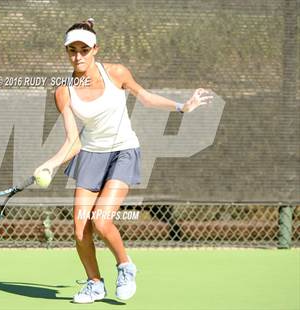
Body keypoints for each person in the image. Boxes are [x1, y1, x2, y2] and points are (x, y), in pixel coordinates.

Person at [34, 18, 212, 303]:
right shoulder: (63, 92)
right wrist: (50, 164)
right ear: (66, 52)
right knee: (80, 228)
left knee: (101, 222)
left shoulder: (116, 73)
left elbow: (146, 98)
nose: (78, 56)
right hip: (91, 155)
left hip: (123, 152)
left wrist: (183, 107)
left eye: (84, 49)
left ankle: (125, 266)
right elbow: (73, 141)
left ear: (95, 50)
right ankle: (95, 284)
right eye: (72, 50)